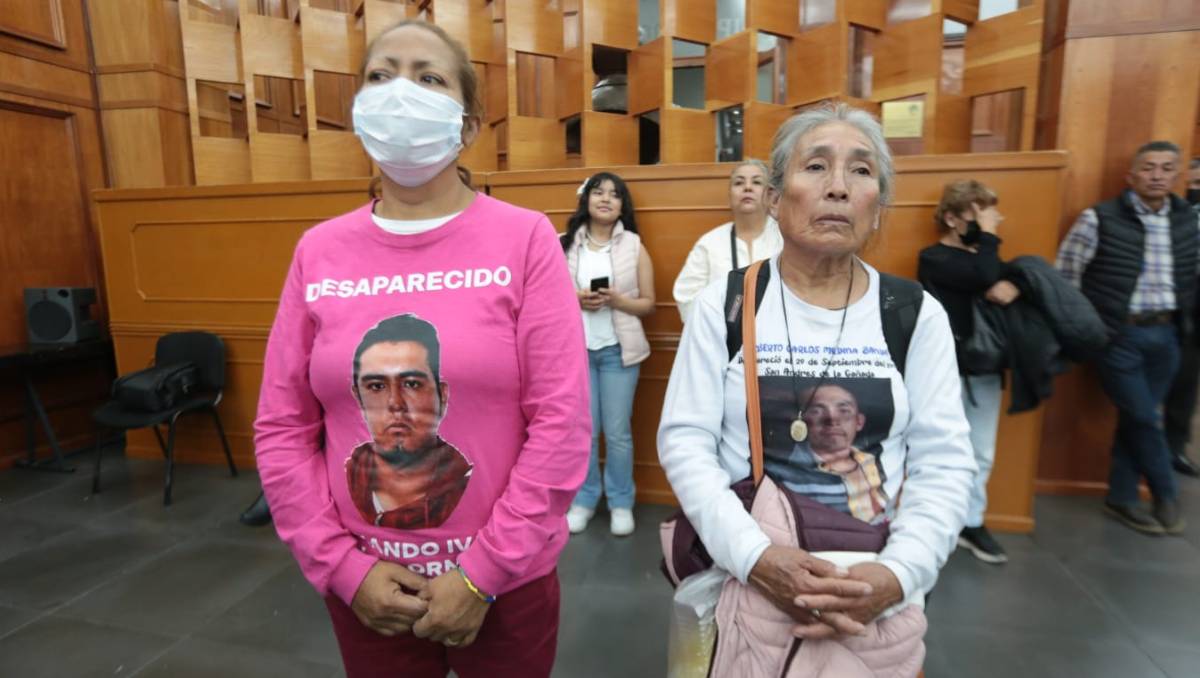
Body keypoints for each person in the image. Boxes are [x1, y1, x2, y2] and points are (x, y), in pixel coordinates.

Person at [253, 20, 590, 678]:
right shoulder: (318, 250)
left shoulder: (525, 240)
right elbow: (282, 425)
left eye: (428, 77)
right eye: (381, 76)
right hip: (367, 588)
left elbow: (562, 421)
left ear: (467, 126)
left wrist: (481, 575)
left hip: (507, 582)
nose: (400, 93)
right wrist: (342, 569)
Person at [658, 103, 975, 669]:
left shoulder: (912, 312)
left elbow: (944, 462)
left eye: (860, 170)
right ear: (776, 199)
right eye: (815, 167)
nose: (837, 188)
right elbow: (685, 443)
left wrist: (899, 573)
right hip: (750, 582)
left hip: (873, 598)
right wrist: (756, 558)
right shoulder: (727, 304)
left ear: (878, 207)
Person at [1056, 140, 1197, 535]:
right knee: (1143, 416)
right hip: (1117, 334)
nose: (1157, 175)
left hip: (1168, 333)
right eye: (1148, 168)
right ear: (1130, 176)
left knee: (1138, 419)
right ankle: (1166, 493)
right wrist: (1085, 330)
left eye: (1166, 168)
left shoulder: (1189, 221)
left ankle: (1121, 497)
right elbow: (1066, 277)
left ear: (1178, 175)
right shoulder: (1098, 218)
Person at [916, 179, 1015, 564]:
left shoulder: (984, 258)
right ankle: (932, 521)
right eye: (976, 214)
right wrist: (989, 238)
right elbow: (986, 277)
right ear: (952, 218)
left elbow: (1005, 275)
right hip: (946, 371)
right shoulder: (934, 258)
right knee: (936, 447)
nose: (986, 222)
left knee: (982, 451)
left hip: (984, 367)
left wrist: (1015, 285)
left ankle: (971, 522)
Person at [561, 172, 655, 537]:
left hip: (619, 351)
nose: (605, 199)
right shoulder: (564, 244)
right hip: (576, 353)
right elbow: (544, 300)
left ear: (622, 206)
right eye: (598, 192)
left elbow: (647, 304)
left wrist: (617, 301)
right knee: (582, 433)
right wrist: (576, 300)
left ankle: (620, 501)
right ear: (586, 200)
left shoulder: (633, 245)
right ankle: (584, 500)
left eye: (615, 195)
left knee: (616, 433)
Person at [346, 314, 472, 530]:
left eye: (412, 384)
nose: (396, 403)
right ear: (358, 398)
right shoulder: (346, 475)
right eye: (376, 386)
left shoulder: (469, 485)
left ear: (442, 396)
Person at [672, 159, 783, 322]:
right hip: (722, 338)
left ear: (771, 195)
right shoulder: (710, 243)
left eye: (757, 182)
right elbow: (686, 297)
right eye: (739, 183)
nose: (747, 187)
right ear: (730, 196)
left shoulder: (787, 237)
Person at [767, 383, 889, 524]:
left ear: (859, 421)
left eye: (844, 410)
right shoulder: (781, 474)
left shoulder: (874, 462)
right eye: (816, 411)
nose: (832, 419)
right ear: (800, 421)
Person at [1163, 158, 1200, 478]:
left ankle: (1175, 447)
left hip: (1193, 308)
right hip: (1167, 303)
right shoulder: (1175, 214)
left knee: (1186, 384)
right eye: (1193, 185)